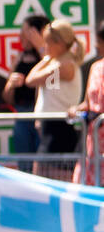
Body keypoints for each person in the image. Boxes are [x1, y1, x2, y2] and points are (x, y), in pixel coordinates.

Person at [27, 18, 84, 179]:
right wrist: (47, 58)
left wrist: (45, 58)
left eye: (48, 43)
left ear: (59, 43)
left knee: (55, 182)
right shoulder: (56, 63)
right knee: (42, 180)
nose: (45, 47)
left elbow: (31, 80)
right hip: (49, 130)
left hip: (60, 130)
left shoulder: (64, 66)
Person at [3, 15, 50, 158]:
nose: (21, 37)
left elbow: (55, 80)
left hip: (44, 116)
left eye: (26, 32)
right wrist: (10, 85)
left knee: (44, 164)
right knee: (25, 163)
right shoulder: (18, 58)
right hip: (22, 116)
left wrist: (41, 46)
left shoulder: (51, 57)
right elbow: (7, 98)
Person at [71, 20, 104, 187]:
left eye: (99, 41)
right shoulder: (96, 68)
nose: (96, 46)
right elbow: (88, 102)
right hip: (94, 143)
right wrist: (75, 110)